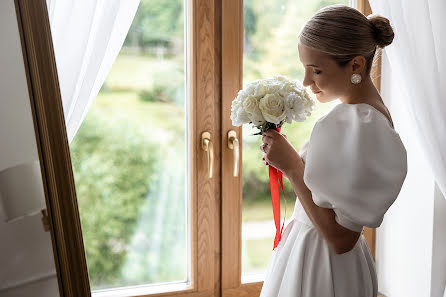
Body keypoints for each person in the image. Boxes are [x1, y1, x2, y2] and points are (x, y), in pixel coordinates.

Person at [259, 4, 408, 297]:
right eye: (305, 68)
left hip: (321, 264)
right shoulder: (369, 115)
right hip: (333, 261)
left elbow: (341, 239)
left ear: (355, 66)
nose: (305, 82)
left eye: (316, 70)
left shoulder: (355, 122)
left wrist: (291, 165)